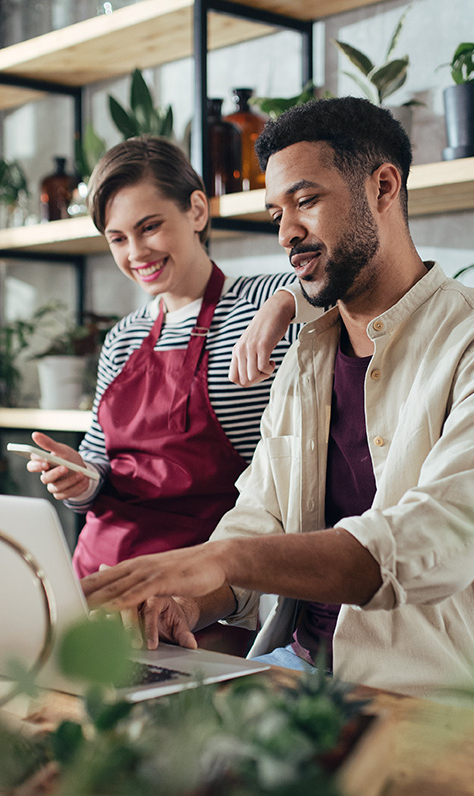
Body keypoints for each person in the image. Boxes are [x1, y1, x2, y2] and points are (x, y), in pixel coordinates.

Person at [81, 97, 474, 724]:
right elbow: (260, 515)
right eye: (277, 213)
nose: (286, 234)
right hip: (298, 676)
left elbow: (436, 542)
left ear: (383, 186)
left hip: (444, 708)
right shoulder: (307, 355)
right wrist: (192, 602)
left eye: (306, 202)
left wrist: (217, 559)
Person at [26, 136, 300, 590]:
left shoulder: (260, 303)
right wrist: (80, 478)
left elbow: (341, 286)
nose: (135, 253)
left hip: (205, 584)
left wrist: (286, 301)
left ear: (196, 210)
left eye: (149, 227)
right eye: (118, 238)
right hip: (101, 575)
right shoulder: (122, 337)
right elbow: (101, 467)